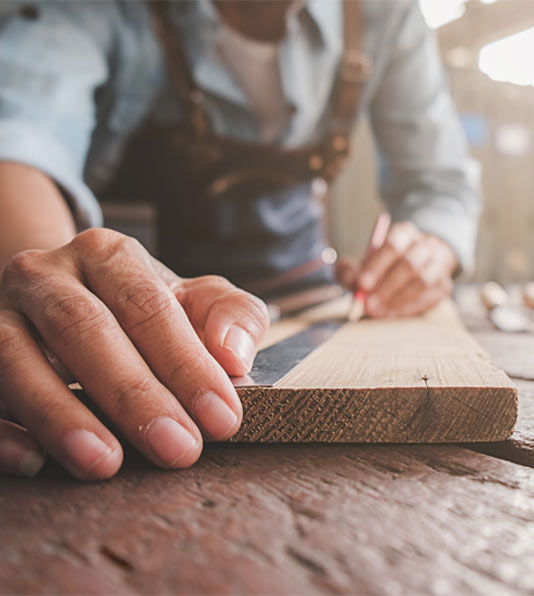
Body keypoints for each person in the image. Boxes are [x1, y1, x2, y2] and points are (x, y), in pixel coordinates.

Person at [0, 0, 480, 480]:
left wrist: (432, 247)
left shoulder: (386, 13)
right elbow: (19, 135)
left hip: (307, 295)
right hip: (152, 313)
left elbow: (439, 186)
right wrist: (57, 290)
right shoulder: (96, 11)